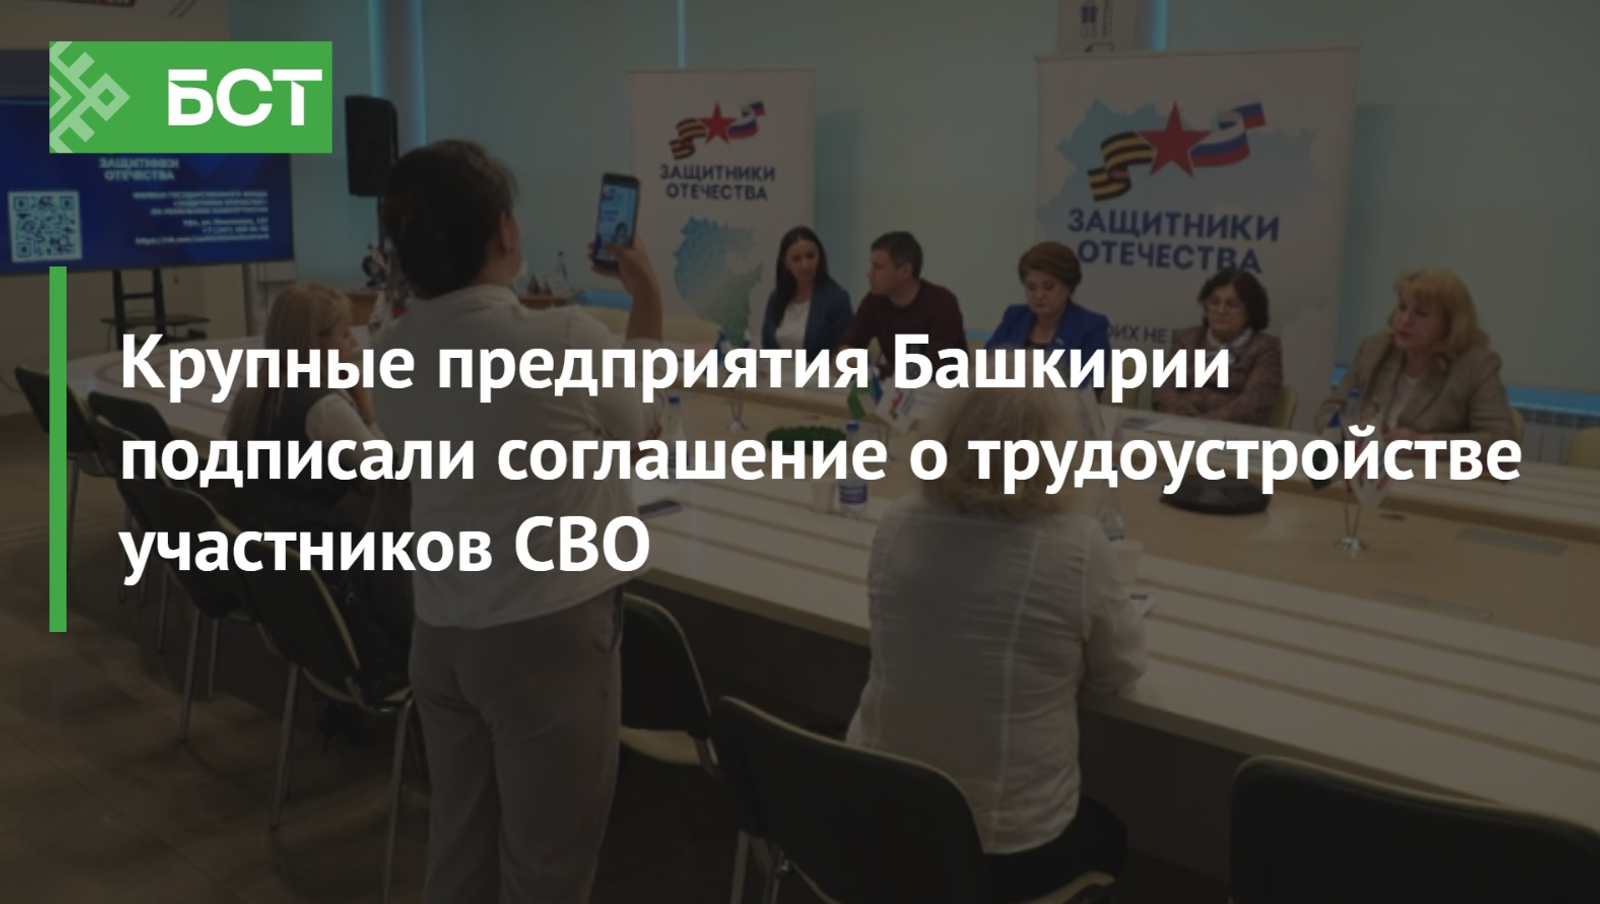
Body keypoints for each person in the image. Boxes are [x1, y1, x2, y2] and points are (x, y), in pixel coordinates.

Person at [371, 139, 664, 904]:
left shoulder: (388, 352)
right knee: (545, 871)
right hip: (546, 634)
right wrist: (647, 299)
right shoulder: (562, 338)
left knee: (459, 851)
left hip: (440, 629)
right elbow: (642, 429)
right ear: (504, 232)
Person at [846, 384, 1147, 904]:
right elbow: (1119, 673)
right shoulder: (1077, 545)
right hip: (1003, 848)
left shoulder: (897, 521)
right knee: (1112, 833)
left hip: (879, 813)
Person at [222, 281, 412, 696]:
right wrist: (366, 408)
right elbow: (391, 471)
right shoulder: (323, 405)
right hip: (317, 551)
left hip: (275, 557)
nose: (354, 347)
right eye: (345, 335)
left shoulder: (258, 392)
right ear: (315, 343)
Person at [1314, 268, 1516, 448]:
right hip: (1368, 471)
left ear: (1450, 325)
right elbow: (1327, 412)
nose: (1405, 320)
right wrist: (1349, 429)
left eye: (1421, 313)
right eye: (1402, 307)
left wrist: (1422, 443)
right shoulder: (1374, 350)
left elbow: (1502, 442)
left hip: (1433, 475)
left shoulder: (1475, 365)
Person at [1152, 269, 1284, 425]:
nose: (1220, 311)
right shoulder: (1187, 339)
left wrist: (1203, 425)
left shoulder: (1265, 348)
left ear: (1250, 310)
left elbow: (1252, 405)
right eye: (1214, 302)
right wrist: (1189, 420)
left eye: (1232, 304)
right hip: (1180, 425)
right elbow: (1163, 390)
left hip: (1231, 433)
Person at [986, 242, 1111, 396]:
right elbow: (983, 369)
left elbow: (1089, 390)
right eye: (1031, 287)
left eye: (1048, 287)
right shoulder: (1014, 317)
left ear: (1068, 286)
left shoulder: (1091, 327)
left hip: (1062, 410)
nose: (1039, 295)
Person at [836, 231, 966, 378]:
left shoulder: (942, 303)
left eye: (878, 267)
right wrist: (845, 354)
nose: (869, 274)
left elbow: (932, 367)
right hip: (897, 386)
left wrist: (874, 370)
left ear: (905, 271)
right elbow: (850, 340)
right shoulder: (875, 300)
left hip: (946, 387)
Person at [760, 225, 853, 354]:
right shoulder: (776, 298)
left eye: (810, 256)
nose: (805, 265)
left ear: (820, 257)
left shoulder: (836, 299)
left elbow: (846, 349)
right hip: (778, 367)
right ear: (785, 263)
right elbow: (767, 345)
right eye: (796, 259)